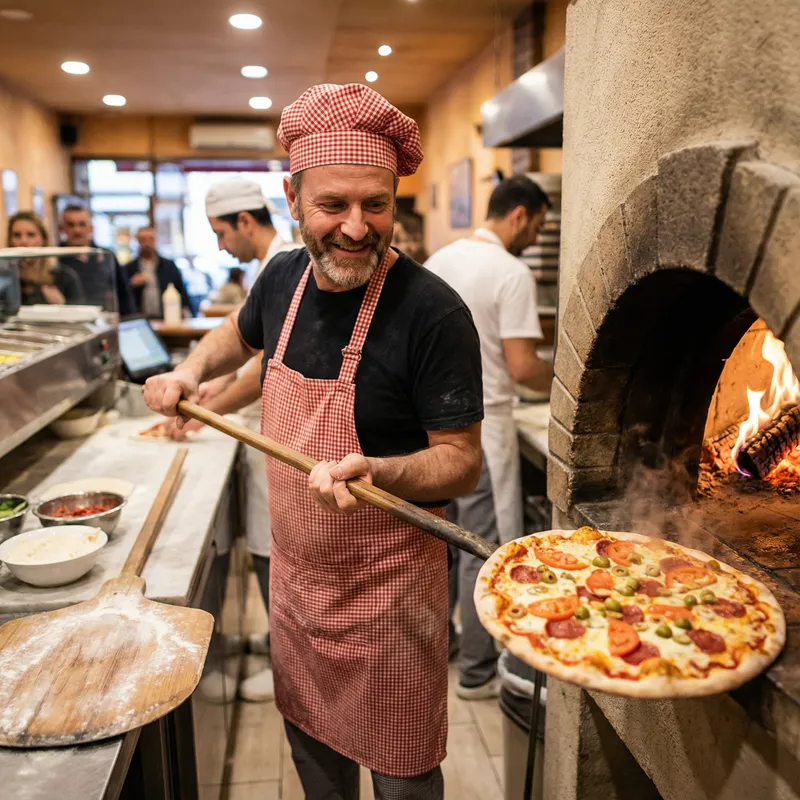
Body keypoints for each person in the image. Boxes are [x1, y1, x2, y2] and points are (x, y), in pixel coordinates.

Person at [145, 83, 483, 799]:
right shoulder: (282, 279)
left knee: (402, 778)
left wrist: (382, 473)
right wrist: (189, 370)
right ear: (293, 202)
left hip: (391, 601)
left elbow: (461, 462)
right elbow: (235, 339)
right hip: (300, 592)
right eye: (333, 205)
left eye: (377, 205)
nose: (357, 229)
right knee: (316, 766)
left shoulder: (433, 313)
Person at [167, 176, 298, 703]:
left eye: (221, 233)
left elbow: (264, 370)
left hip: (283, 437)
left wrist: (203, 409)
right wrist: (203, 382)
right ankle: (273, 642)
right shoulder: (267, 270)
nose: (221, 245)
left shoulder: (285, 267)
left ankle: (285, 665)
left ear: (247, 222)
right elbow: (242, 346)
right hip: (265, 431)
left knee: (274, 549)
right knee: (267, 545)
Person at [425, 175, 554, 699]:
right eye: (539, 227)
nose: (536, 239)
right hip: (484, 425)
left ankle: (447, 646)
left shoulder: (440, 259)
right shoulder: (511, 271)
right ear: (519, 215)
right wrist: (573, 382)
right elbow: (523, 366)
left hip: (429, 427)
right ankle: (478, 672)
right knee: (484, 547)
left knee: (444, 545)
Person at [59, 205, 136, 315]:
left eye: (82, 224)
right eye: (71, 225)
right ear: (62, 228)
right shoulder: (54, 259)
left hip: (103, 323)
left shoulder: (107, 256)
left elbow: (124, 294)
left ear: (91, 227)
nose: (77, 230)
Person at [7, 211, 83, 305]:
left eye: (31, 235)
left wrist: (62, 305)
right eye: (17, 235)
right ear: (10, 241)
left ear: (44, 240)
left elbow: (80, 313)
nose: (23, 241)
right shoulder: (5, 279)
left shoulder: (66, 278)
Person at [126, 227, 192, 318]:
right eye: (143, 240)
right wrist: (131, 284)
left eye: (150, 239)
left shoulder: (168, 266)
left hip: (166, 318)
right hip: (141, 319)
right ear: (138, 241)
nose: (147, 243)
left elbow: (182, 291)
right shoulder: (129, 268)